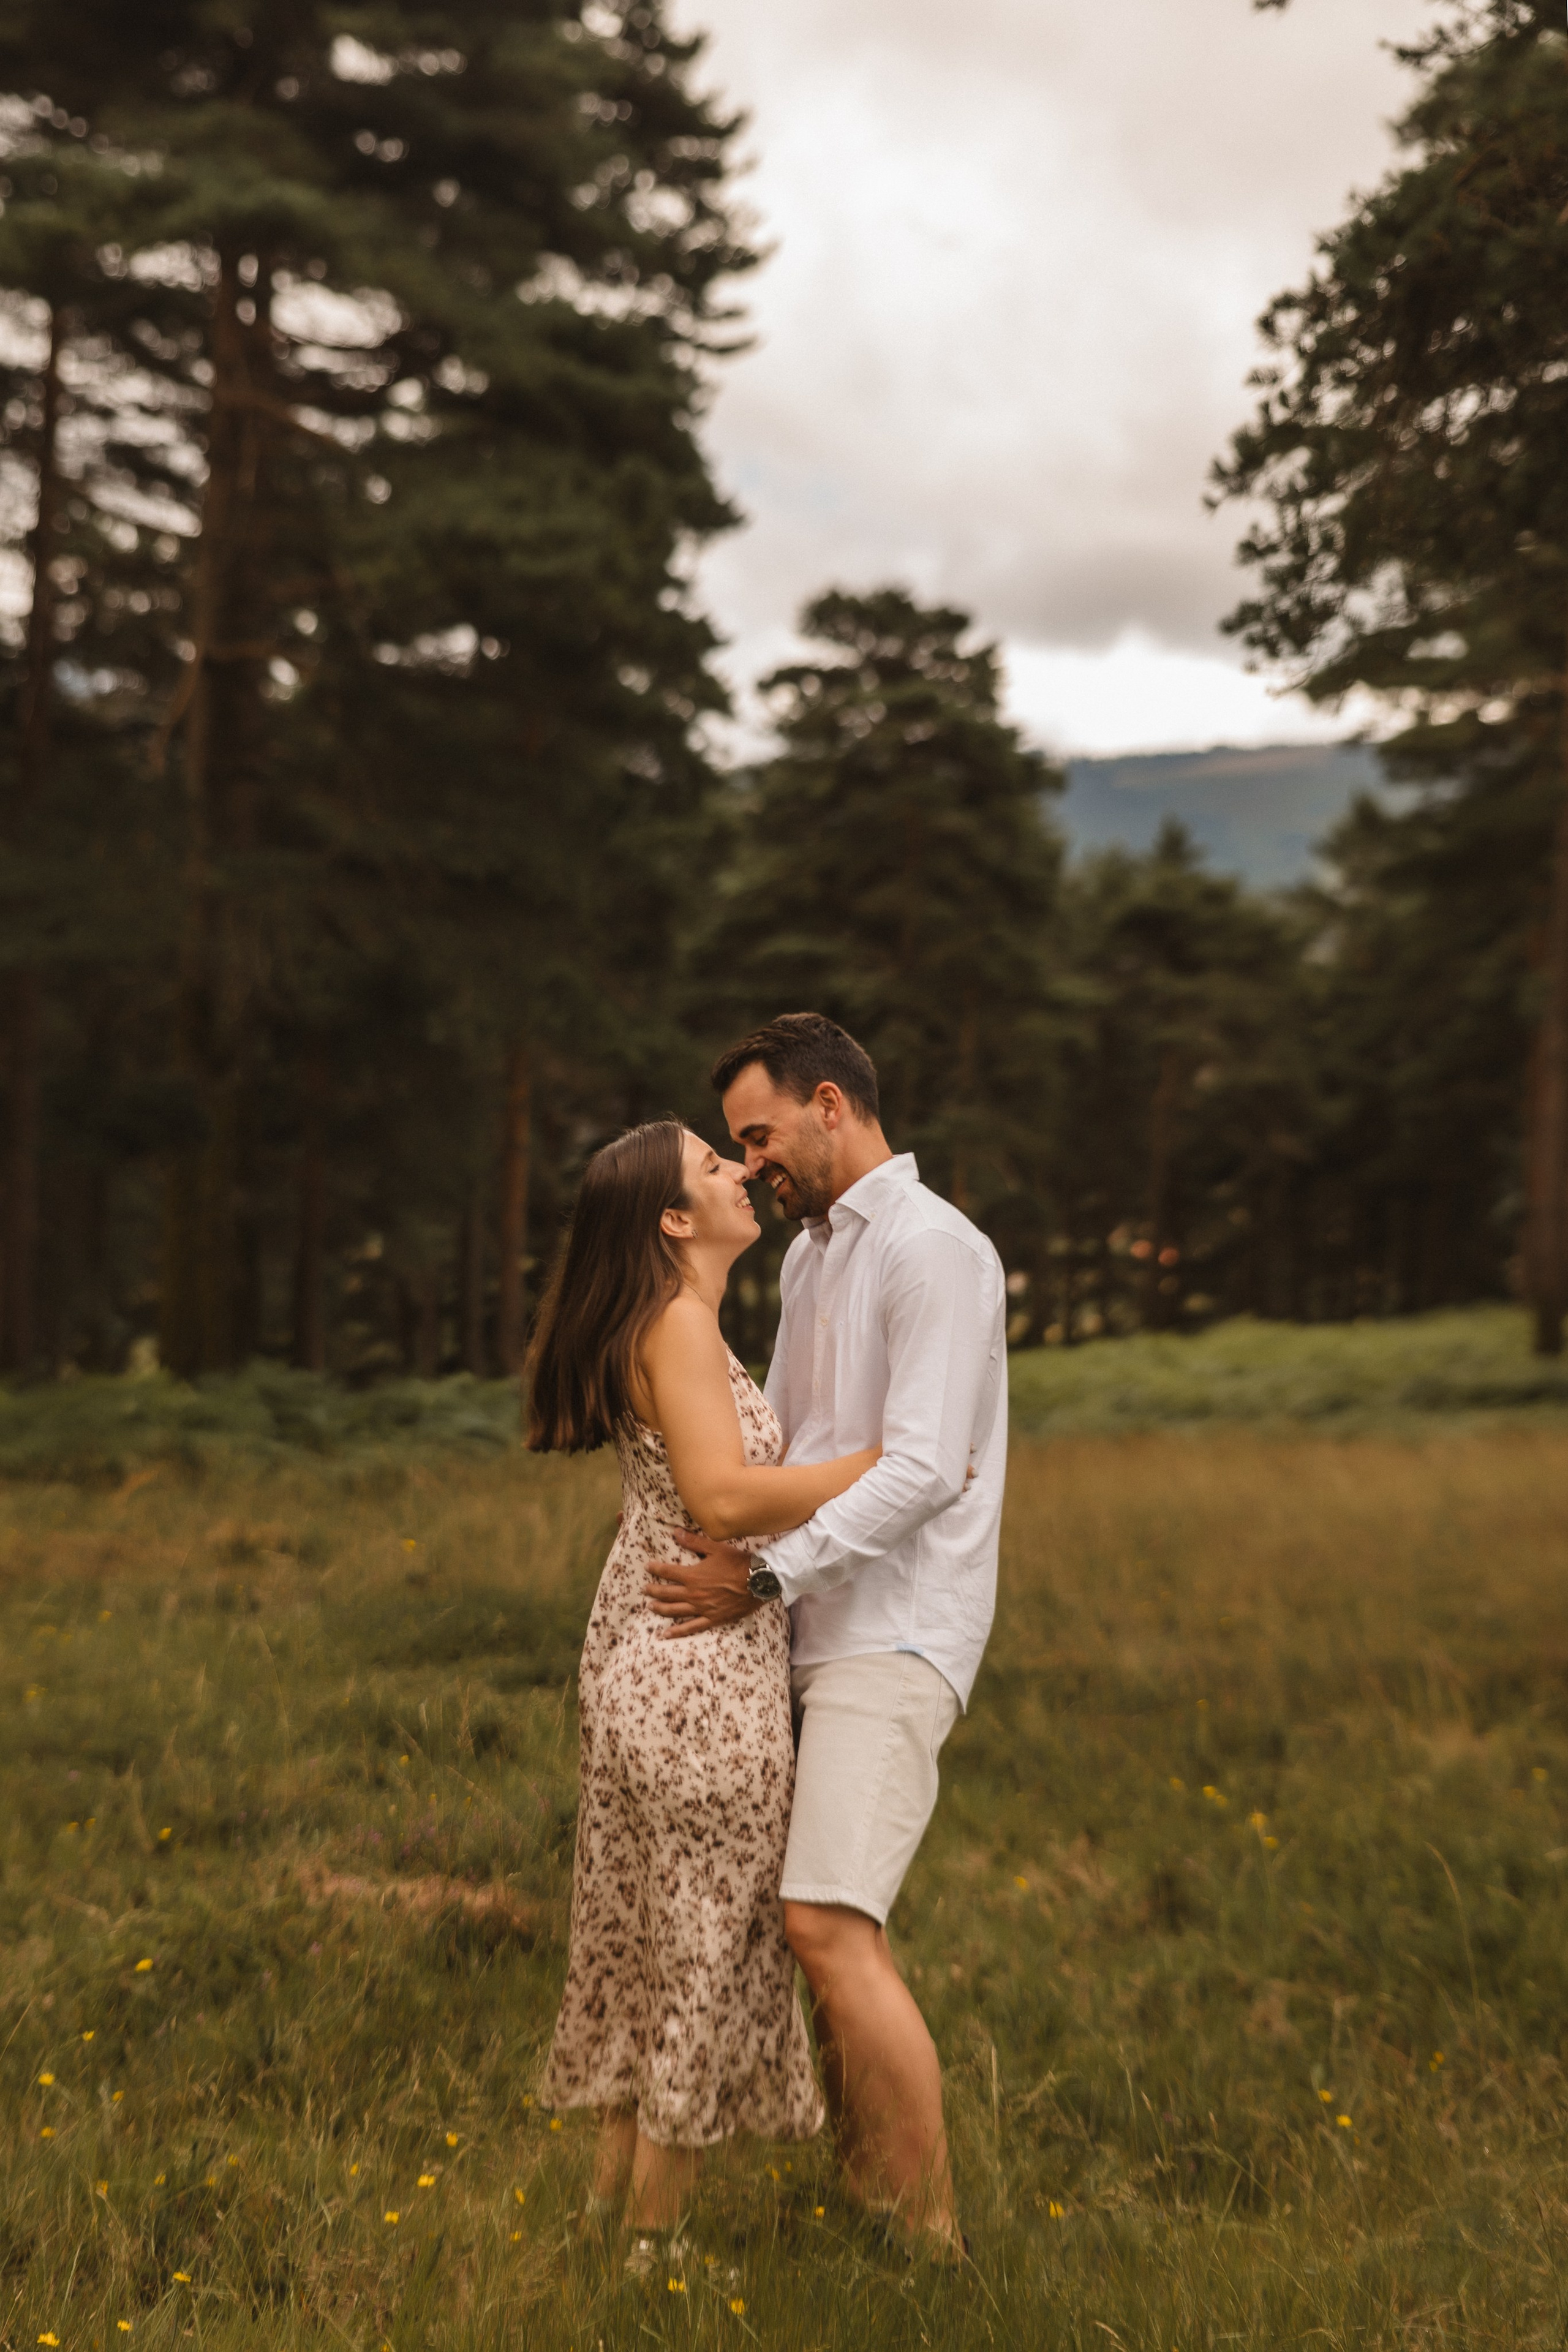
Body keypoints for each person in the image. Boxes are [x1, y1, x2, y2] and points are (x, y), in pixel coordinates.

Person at [645, 1013, 1007, 2255]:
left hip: (896, 1630)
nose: (751, 1164)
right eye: (738, 1147)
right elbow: (802, 1450)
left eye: (761, 1135)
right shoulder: (809, 1261)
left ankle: (930, 2242)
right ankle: (871, 2199)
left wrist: (761, 1579)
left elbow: (919, 1475)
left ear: (831, 1107)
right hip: (804, 1622)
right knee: (824, 1928)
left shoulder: (935, 1253)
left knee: (826, 1926)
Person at [526, 1117, 884, 2238]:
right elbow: (722, 1500)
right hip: (695, 1676)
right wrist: (885, 1466)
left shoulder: (674, 1324)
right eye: (715, 1166)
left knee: (646, 1944)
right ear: (677, 1220)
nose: (743, 1175)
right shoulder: (676, 1324)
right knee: (702, 1952)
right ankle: (649, 2249)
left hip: (655, 1656)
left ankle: (602, 2217)